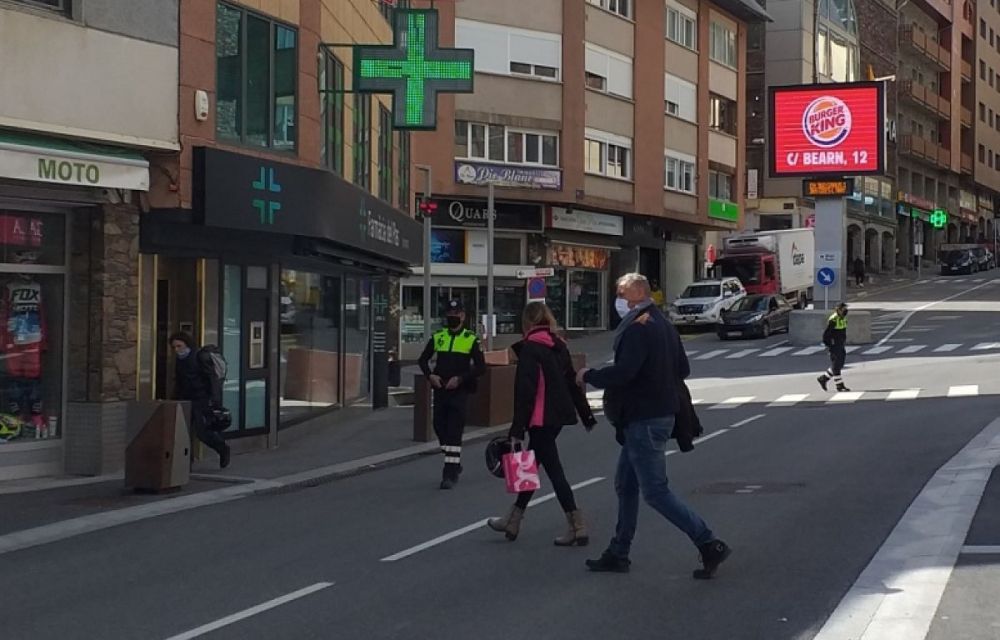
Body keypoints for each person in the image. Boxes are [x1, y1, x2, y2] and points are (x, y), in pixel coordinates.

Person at [576, 273, 731, 579]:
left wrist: (589, 376)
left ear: (637, 293)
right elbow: (682, 368)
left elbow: (625, 372)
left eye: (621, 293)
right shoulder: (663, 324)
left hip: (644, 418)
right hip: (656, 415)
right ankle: (619, 552)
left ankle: (707, 541)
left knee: (655, 492)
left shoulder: (638, 327)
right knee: (626, 484)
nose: (618, 300)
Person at [487, 302, 598, 544]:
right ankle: (513, 519)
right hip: (558, 416)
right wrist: (586, 414)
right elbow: (572, 382)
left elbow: (525, 391)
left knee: (554, 470)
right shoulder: (558, 346)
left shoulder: (530, 349)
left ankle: (576, 524)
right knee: (532, 465)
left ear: (527, 322)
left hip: (540, 418)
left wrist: (517, 429)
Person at [418, 299, 486, 489]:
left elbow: (481, 367)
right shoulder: (439, 336)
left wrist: (461, 378)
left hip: (460, 391)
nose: (452, 317)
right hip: (441, 389)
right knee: (439, 426)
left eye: (456, 314)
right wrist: (430, 375)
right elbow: (422, 360)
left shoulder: (471, 339)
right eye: (449, 315)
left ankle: (449, 474)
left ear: (462, 316)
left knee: (454, 432)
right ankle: (454, 461)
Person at [169, 332, 230, 469]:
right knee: (184, 432)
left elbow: (212, 379)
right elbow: (179, 381)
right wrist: (174, 399)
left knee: (202, 432)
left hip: (201, 399)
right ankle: (187, 463)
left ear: (186, 344)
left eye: (179, 346)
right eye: (174, 347)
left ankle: (222, 448)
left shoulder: (199, 357)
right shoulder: (180, 360)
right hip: (185, 399)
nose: (177, 350)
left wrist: (215, 400)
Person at [817, 302, 850, 392]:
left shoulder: (843, 318)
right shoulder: (833, 319)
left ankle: (823, 378)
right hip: (834, 344)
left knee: (840, 363)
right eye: (843, 309)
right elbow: (826, 334)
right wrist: (829, 345)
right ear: (838, 310)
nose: (846, 311)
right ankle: (839, 385)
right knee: (836, 364)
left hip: (840, 344)